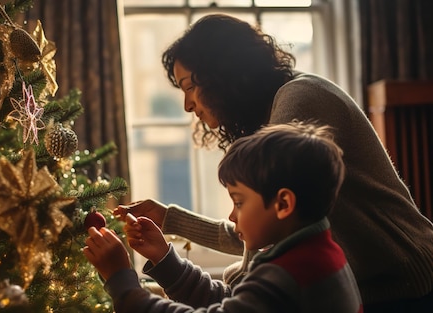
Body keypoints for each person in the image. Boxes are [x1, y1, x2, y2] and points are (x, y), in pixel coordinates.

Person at [113, 13, 433, 312]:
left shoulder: (299, 100)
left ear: (223, 74)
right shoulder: (276, 110)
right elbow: (262, 227)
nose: (187, 105)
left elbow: (264, 241)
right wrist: (169, 220)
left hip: (402, 286)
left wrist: (124, 280)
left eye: (190, 87)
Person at [84, 121, 362, 312]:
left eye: (239, 202)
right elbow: (232, 303)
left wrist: (121, 280)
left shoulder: (291, 274)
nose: (232, 215)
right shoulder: (318, 254)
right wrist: (165, 259)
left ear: (284, 203)